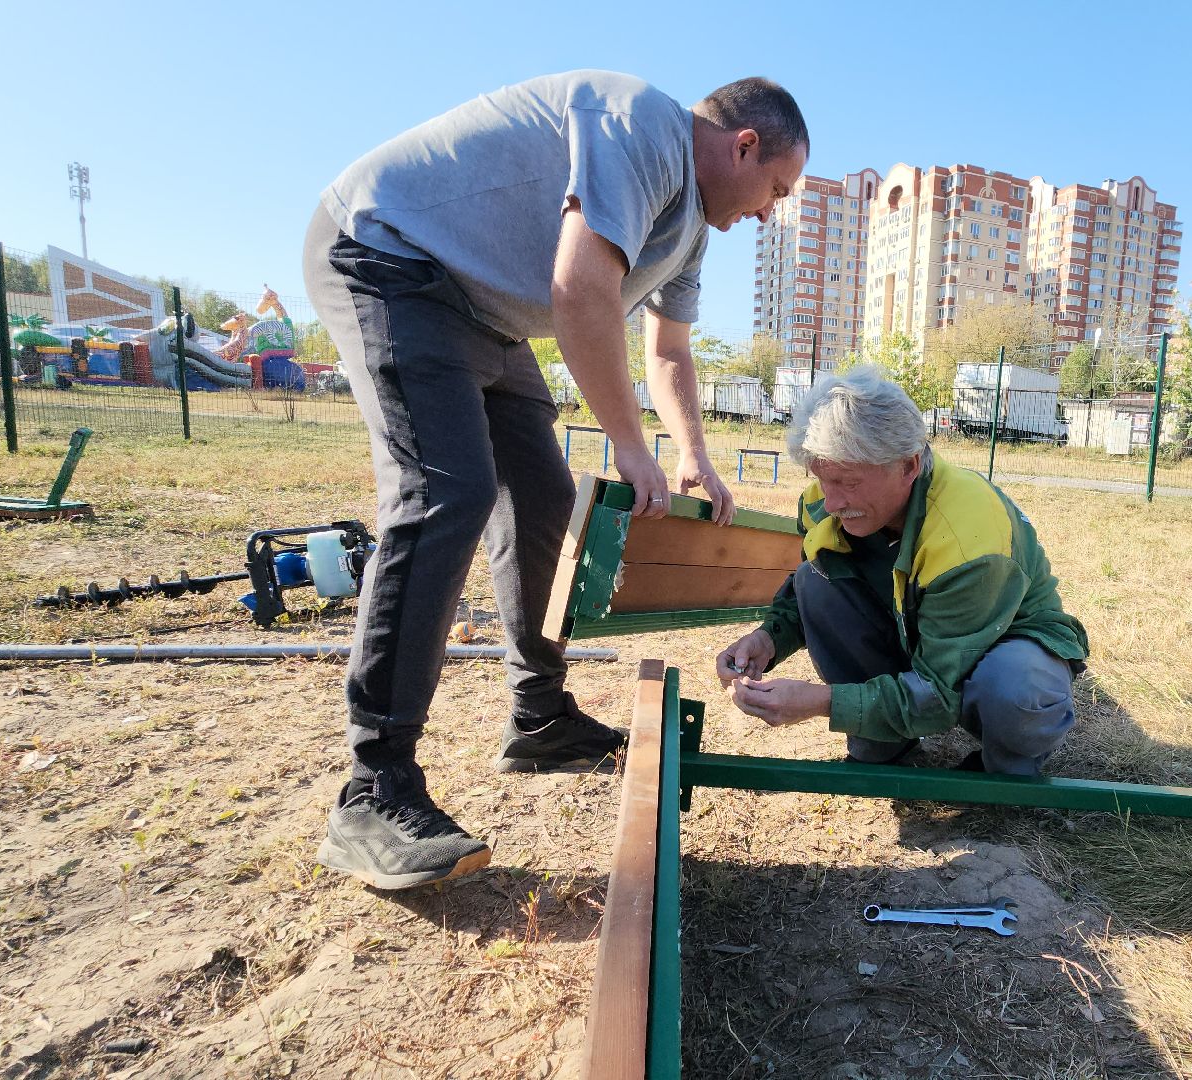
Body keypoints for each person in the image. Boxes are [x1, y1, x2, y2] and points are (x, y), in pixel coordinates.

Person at [303, 71, 809, 889]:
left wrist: (691, 455)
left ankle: (539, 718)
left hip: (484, 315)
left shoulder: (691, 233)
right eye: (774, 189)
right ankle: (373, 787)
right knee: (447, 493)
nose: (767, 213)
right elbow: (580, 289)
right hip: (389, 255)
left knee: (541, 503)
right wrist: (628, 446)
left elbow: (669, 351)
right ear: (743, 144)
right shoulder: (643, 127)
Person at [715, 369, 1089, 775]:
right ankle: (883, 742)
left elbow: (938, 694)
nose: (834, 501)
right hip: (916, 629)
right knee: (813, 581)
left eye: (849, 482)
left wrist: (823, 702)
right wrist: (768, 639)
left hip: (1001, 642)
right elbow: (810, 587)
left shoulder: (970, 542)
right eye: (823, 479)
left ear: (909, 465)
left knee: (1017, 688)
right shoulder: (824, 502)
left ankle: (1007, 766)